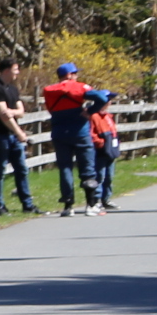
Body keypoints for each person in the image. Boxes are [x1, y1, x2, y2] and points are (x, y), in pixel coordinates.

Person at [41, 63, 97, 215]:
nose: (77, 76)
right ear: (70, 75)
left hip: (59, 133)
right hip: (80, 132)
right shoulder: (80, 87)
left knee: (65, 168)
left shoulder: (49, 91)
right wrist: (90, 110)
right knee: (87, 167)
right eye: (75, 73)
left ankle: (68, 206)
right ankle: (91, 205)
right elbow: (101, 97)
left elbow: (50, 109)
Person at [0, 61, 36, 214]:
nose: (17, 72)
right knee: (0, 170)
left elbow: (21, 111)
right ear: (6, 70)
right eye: (15, 69)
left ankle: (27, 204)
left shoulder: (13, 89)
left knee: (21, 169)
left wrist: (12, 112)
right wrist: (19, 132)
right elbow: (3, 115)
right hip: (0, 135)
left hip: (13, 136)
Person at [87, 91, 120, 213]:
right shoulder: (94, 116)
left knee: (109, 176)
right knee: (99, 175)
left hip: (110, 149)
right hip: (100, 150)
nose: (109, 102)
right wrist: (100, 143)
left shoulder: (108, 116)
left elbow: (113, 132)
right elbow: (91, 134)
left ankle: (106, 198)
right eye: (108, 99)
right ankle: (97, 199)